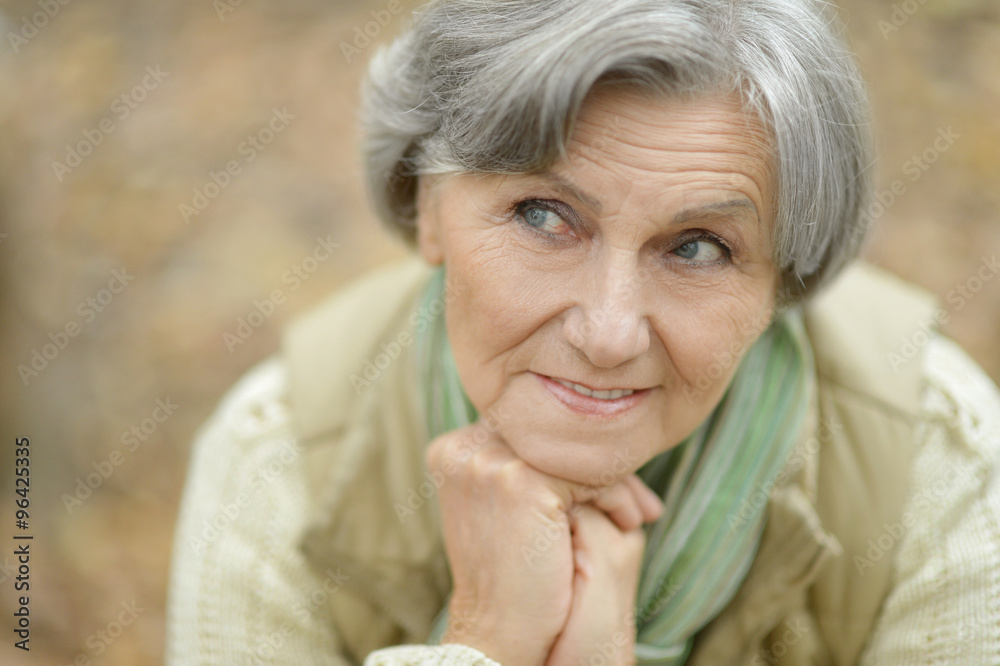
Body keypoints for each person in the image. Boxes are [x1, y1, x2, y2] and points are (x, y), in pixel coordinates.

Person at [165, 0, 1000, 664]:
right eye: (543, 216)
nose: (607, 333)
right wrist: (484, 640)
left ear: (785, 279)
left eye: (698, 247)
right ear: (426, 205)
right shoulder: (275, 469)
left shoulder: (941, 465)